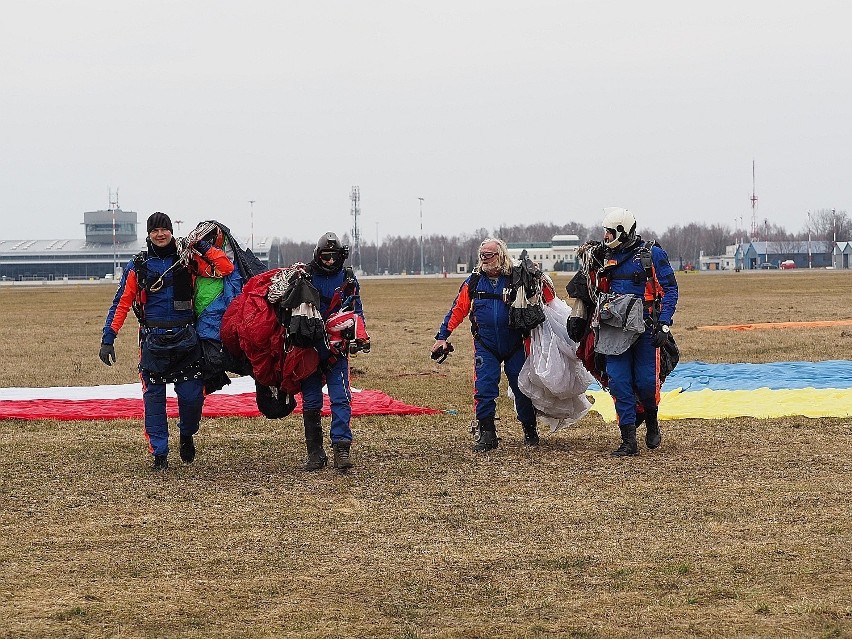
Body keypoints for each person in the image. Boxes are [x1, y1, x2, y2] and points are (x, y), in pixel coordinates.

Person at [98, 212, 234, 471]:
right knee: (154, 400)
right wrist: (108, 338)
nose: (160, 234)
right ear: (149, 234)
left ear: (171, 231)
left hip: (186, 339)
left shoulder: (188, 261)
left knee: (192, 396)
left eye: (164, 229)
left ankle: (186, 434)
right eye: (155, 230)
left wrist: (202, 245)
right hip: (153, 342)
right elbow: (122, 303)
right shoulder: (138, 266)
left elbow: (224, 268)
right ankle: (159, 454)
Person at [432, 238, 552, 452]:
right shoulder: (474, 282)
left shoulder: (516, 278)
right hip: (485, 345)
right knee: (484, 388)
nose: (485, 259)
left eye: (489, 254)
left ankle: (529, 428)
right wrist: (442, 337)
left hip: (515, 343)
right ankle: (487, 433)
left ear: (501, 256)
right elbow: (457, 310)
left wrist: (536, 277)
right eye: (482, 255)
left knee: (522, 388)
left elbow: (544, 298)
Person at [593, 207, 679, 457]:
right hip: (614, 330)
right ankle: (628, 439)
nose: (605, 237)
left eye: (609, 232)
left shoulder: (651, 254)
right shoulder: (602, 257)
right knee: (618, 382)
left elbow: (671, 290)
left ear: (621, 230)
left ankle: (651, 420)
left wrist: (664, 324)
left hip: (646, 329)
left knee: (645, 382)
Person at [301, 232, 369, 471]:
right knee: (311, 401)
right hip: (308, 350)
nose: (329, 261)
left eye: (333, 256)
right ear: (317, 256)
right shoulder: (305, 276)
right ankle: (315, 452)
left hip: (336, 351)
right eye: (325, 256)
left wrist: (361, 335)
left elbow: (356, 310)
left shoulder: (348, 279)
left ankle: (341, 447)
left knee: (340, 397)